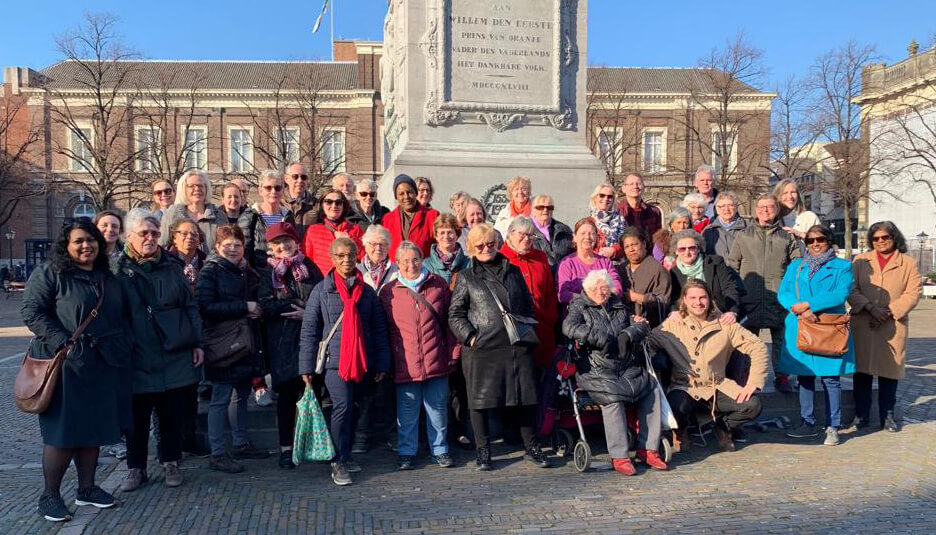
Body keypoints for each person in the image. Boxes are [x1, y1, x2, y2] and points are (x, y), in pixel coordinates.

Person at [22, 219, 131, 522]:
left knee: (93, 429)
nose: (87, 246)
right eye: (79, 241)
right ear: (66, 246)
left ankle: (88, 489)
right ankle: (50, 496)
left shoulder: (107, 277)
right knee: (63, 433)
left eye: (91, 240)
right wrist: (62, 343)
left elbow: (120, 316)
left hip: (101, 364)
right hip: (66, 366)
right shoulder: (51, 273)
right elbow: (31, 311)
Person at [448, 224, 550, 471]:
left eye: (490, 243)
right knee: (480, 401)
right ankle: (483, 450)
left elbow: (526, 306)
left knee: (525, 397)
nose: (485, 248)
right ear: (472, 248)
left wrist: (526, 332)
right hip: (482, 349)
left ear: (497, 244)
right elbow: (455, 314)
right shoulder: (465, 277)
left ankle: (532, 445)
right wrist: (471, 337)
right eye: (480, 245)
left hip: (516, 346)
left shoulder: (513, 272)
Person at [116, 208, 202, 493]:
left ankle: (171, 462)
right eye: (144, 233)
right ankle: (135, 467)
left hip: (173, 353)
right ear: (130, 236)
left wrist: (196, 342)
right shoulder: (118, 272)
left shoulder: (172, 267)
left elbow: (190, 307)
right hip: (137, 356)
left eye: (154, 233)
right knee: (136, 418)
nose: (150, 238)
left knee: (171, 414)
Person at [298, 237, 391, 486]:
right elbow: (310, 329)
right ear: (332, 258)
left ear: (357, 257)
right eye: (340, 256)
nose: (346, 260)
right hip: (334, 362)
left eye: (350, 255)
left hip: (362, 360)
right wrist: (306, 366)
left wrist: (382, 363)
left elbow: (379, 329)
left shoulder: (367, 291)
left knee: (355, 407)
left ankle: (346, 454)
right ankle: (337, 461)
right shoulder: (321, 290)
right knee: (343, 406)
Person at [562, 270, 666, 475]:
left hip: (626, 365)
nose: (601, 292)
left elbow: (641, 326)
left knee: (651, 387)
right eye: (595, 288)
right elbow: (569, 327)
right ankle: (619, 455)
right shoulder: (579, 307)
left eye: (604, 288)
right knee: (613, 397)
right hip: (595, 368)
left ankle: (649, 449)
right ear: (587, 290)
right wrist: (600, 337)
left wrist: (627, 335)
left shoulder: (619, 306)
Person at [648, 279, 768, 453]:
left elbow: (758, 347)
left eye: (703, 297)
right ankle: (680, 432)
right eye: (693, 298)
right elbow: (648, 344)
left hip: (717, 385)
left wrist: (753, 382)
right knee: (674, 408)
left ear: (710, 299)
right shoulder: (672, 324)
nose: (698, 303)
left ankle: (723, 428)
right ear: (684, 300)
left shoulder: (725, 324)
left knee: (752, 405)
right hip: (684, 387)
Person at [195, 224, 270, 473]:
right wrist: (244, 307)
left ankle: (240, 443)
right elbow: (205, 307)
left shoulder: (244, 270)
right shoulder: (210, 271)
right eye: (228, 244)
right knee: (220, 398)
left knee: (242, 395)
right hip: (222, 344)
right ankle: (217, 453)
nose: (234, 248)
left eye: (238, 244)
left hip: (245, 341)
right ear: (217, 247)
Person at [380, 241, 456, 470]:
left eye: (415, 259)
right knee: (407, 411)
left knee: (437, 409)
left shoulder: (438, 285)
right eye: (405, 261)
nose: (410, 265)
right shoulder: (389, 292)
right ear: (397, 264)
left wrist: (453, 352)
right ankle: (407, 452)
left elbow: (450, 322)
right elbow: (384, 329)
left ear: (422, 259)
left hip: (436, 358)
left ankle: (440, 450)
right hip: (405, 362)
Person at [778, 225, 855, 446]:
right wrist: (799, 307)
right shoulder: (796, 265)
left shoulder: (843, 266)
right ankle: (807, 423)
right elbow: (784, 292)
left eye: (820, 239)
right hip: (801, 325)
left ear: (829, 241)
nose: (815, 244)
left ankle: (833, 426)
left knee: (831, 380)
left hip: (828, 328)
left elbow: (840, 293)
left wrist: (809, 304)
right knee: (805, 377)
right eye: (810, 240)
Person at [258, 222, 324, 469]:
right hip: (282, 343)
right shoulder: (268, 273)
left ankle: (312, 444)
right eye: (277, 243)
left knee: (312, 393)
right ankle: (286, 448)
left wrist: (306, 313)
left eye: (287, 241)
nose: (283, 246)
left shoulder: (310, 267)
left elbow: (321, 299)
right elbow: (266, 305)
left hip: (309, 340)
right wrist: (294, 304)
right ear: (271, 247)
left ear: (296, 242)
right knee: (286, 397)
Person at [849, 222, 921, 432]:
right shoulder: (860, 260)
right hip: (863, 322)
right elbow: (851, 289)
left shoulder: (908, 263)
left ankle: (887, 415)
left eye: (885, 237)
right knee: (861, 372)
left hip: (892, 325)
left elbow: (912, 293)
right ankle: (860, 415)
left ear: (894, 237)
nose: (881, 241)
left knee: (889, 372)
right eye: (876, 238)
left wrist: (888, 311)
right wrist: (871, 308)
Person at [726, 194, 800, 393]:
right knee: (749, 342)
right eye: (761, 207)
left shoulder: (787, 237)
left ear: (777, 210)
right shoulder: (743, 235)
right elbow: (732, 266)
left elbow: (797, 267)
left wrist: (791, 292)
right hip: (749, 298)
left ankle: (782, 376)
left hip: (778, 298)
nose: (765, 210)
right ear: (756, 210)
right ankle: (749, 378)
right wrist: (735, 295)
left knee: (782, 340)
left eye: (770, 207)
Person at [353, 224, 399, 454]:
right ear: (364, 245)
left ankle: (392, 433)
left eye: (382, 244)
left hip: (393, 333)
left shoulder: (397, 270)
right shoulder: (356, 270)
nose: (378, 248)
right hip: (365, 334)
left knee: (389, 387)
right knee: (366, 388)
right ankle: (362, 435)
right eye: (373, 243)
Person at [501, 217, 559, 368]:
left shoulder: (540, 257)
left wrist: (550, 317)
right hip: (513, 331)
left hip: (542, 327)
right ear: (510, 234)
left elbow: (550, 291)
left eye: (531, 235)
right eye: (522, 234)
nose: (527, 239)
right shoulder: (500, 258)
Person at [668, 229, 742, 323]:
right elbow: (674, 298)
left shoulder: (715, 262)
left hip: (718, 314)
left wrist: (732, 311)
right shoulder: (674, 272)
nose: (687, 253)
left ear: (698, 248)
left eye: (692, 248)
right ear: (676, 251)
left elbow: (729, 288)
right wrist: (674, 311)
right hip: (689, 319)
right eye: (682, 249)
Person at [557, 218, 623, 304]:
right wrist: (590, 299)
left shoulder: (605, 262)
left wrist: (604, 296)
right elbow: (563, 294)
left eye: (592, 234)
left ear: (596, 237)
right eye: (583, 233)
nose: (587, 237)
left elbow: (617, 287)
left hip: (604, 311)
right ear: (575, 237)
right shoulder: (567, 263)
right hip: (577, 312)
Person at [239, 170, 296, 269]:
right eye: (268, 188)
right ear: (260, 190)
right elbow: (244, 251)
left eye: (277, 188)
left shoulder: (288, 216)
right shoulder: (249, 216)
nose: (273, 191)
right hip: (259, 274)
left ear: (282, 190)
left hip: (286, 272)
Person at [302, 188, 364, 276]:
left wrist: (350, 240)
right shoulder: (313, 230)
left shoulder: (355, 229)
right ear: (322, 205)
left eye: (338, 202)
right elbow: (307, 260)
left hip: (348, 280)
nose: (334, 205)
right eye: (328, 202)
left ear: (343, 206)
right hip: (323, 282)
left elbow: (363, 258)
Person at [618, 226, 670, 326]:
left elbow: (664, 301)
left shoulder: (658, 269)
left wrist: (637, 297)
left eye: (634, 244)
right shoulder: (621, 269)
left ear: (644, 244)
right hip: (624, 325)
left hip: (650, 327)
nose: (631, 249)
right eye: (627, 247)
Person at [160, 170, 222, 253]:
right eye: (191, 186)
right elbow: (162, 244)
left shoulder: (219, 215)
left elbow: (225, 246)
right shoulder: (172, 214)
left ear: (206, 189)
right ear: (183, 189)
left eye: (200, 186)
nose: (197, 189)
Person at [382, 174, 439, 260]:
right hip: (396, 270)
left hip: (424, 269)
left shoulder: (432, 216)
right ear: (396, 197)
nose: (406, 197)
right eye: (401, 194)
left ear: (415, 193)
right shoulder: (387, 219)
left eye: (409, 192)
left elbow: (440, 246)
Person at [423, 213, 471, 285]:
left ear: (457, 234)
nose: (446, 236)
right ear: (436, 236)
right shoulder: (426, 265)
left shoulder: (469, 263)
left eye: (450, 232)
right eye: (442, 233)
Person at [529, 194, 573, 270]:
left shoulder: (564, 229)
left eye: (549, 207)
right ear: (533, 210)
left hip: (563, 272)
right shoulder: (527, 229)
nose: (545, 210)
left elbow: (573, 252)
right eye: (541, 207)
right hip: (538, 271)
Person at [703, 191, 748, 258]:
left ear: (736, 208)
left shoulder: (748, 228)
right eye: (722, 206)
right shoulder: (708, 231)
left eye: (730, 205)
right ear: (717, 209)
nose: (726, 209)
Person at [588, 183, 626, 260]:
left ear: (613, 200)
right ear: (595, 198)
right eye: (602, 195)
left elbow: (626, 244)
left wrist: (614, 251)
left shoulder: (621, 220)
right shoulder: (589, 221)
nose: (606, 199)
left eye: (609, 196)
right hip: (595, 263)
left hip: (617, 265)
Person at [618, 173, 662, 238]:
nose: (635, 186)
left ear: (644, 188)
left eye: (639, 184)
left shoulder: (654, 212)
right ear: (623, 189)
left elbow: (657, 239)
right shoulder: (617, 211)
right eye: (631, 184)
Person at [167, 218, 206, 290]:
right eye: (184, 234)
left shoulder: (206, 263)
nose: (190, 237)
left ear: (199, 239)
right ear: (174, 238)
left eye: (194, 234)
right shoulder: (165, 261)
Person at [282, 162, 319, 233]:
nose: (300, 180)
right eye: (295, 176)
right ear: (286, 179)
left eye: (303, 177)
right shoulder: (279, 203)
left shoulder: (316, 205)